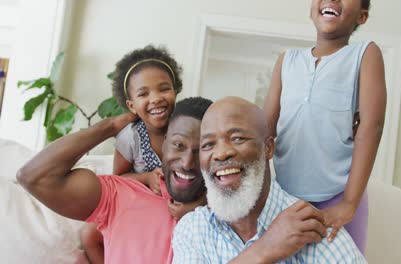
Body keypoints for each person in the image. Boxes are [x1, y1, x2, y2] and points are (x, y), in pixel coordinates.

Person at [17, 97, 327, 263]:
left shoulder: (231, 214)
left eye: (202, 148)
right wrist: (114, 124)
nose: (188, 162)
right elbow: (34, 177)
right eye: (178, 145)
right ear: (162, 146)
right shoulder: (123, 193)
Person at [172, 97, 366, 263]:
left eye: (238, 138)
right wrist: (265, 249)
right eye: (208, 144)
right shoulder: (193, 229)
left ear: (268, 148)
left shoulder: (312, 228)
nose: (221, 153)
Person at [263, 0, 387, 253]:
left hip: (339, 196)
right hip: (285, 198)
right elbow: (264, 131)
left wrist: (349, 203)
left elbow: (371, 128)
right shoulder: (287, 60)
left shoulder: (365, 54)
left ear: (361, 17)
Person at [80, 45, 204, 263]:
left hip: (183, 196)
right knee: (88, 233)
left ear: (175, 92)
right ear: (132, 105)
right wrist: (146, 178)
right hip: (144, 200)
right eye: (143, 94)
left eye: (163, 89)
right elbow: (118, 179)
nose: (155, 98)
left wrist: (197, 204)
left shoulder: (186, 126)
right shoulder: (130, 136)